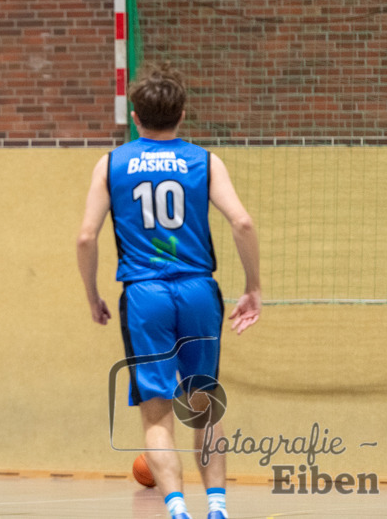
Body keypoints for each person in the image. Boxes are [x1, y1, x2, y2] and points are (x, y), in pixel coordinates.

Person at [76, 63, 261, 519]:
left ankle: (177, 509)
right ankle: (217, 507)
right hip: (198, 290)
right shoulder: (205, 161)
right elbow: (242, 222)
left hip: (144, 295)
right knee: (204, 408)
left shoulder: (112, 164)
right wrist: (253, 287)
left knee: (157, 414)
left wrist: (92, 295)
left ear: (134, 116)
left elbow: (85, 237)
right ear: (182, 114)